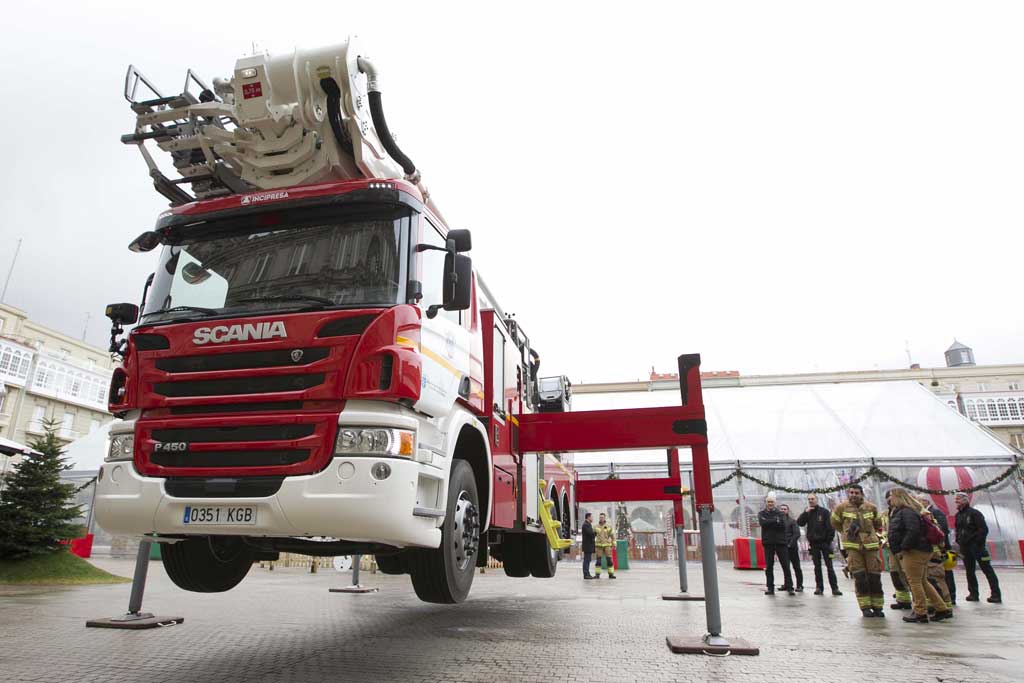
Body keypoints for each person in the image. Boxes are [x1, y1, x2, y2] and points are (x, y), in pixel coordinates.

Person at [887, 488, 951, 623]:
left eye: (892, 496)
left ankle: (920, 612)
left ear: (898, 497)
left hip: (914, 551)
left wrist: (904, 547)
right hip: (920, 550)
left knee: (914, 582)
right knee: (922, 581)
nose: (890, 499)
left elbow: (912, 531)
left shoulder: (906, 512)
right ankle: (941, 608)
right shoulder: (909, 511)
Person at [831, 484, 885, 617]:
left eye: (856, 493)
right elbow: (835, 523)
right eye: (851, 493)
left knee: (874, 576)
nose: (853, 495)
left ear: (862, 494)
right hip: (853, 547)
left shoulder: (871, 507)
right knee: (860, 577)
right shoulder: (841, 508)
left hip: (870, 546)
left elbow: (878, 524)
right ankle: (865, 607)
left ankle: (878, 607)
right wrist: (846, 532)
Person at [954, 492, 1001, 603]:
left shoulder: (975, 513)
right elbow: (958, 530)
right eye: (955, 499)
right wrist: (958, 541)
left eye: (958, 499)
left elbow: (983, 530)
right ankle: (973, 594)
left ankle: (996, 594)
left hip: (978, 549)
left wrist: (977, 543)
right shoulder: (958, 515)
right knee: (969, 571)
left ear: (965, 500)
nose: (956, 501)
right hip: (965, 548)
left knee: (987, 570)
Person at [797, 494, 841, 596]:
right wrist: (805, 513)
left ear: (816, 500)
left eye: (812, 499)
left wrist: (828, 541)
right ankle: (819, 588)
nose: (811, 501)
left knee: (829, 566)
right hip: (814, 544)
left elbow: (830, 527)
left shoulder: (824, 512)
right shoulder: (808, 512)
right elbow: (800, 523)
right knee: (817, 567)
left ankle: (835, 588)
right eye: (809, 499)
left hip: (825, 543)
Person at [882, 490, 913, 611]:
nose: (890, 500)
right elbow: (885, 528)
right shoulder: (886, 513)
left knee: (908, 574)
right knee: (895, 573)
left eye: (892, 497)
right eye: (888, 498)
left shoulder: (904, 510)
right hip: (891, 547)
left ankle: (919, 600)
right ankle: (903, 600)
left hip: (903, 548)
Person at [758, 496, 794, 595]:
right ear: (766, 503)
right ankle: (770, 587)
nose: (770, 504)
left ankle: (790, 586)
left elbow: (782, 525)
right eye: (768, 502)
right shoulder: (761, 514)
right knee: (769, 566)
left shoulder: (780, 513)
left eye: (772, 502)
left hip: (780, 542)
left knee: (785, 565)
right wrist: (775, 520)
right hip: (768, 543)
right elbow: (763, 523)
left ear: (775, 502)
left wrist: (769, 521)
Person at [779, 504, 803, 592]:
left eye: (784, 509)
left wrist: (790, 544)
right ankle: (787, 584)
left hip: (792, 548)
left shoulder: (792, 521)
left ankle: (800, 585)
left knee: (796, 567)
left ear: (787, 510)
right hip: (782, 547)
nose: (782, 510)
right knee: (786, 567)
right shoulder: (777, 521)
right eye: (781, 509)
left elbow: (797, 534)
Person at [593, 512, 617, 579]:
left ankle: (611, 574)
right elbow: (592, 535)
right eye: (600, 517)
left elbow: (613, 536)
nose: (601, 518)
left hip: (607, 546)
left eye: (602, 517)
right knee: (598, 561)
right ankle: (597, 574)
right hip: (598, 546)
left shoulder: (609, 526)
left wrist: (614, 544)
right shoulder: (595, 527)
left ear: (604, 518)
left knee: (609, 560)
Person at [581, 513, 596, 580]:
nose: (592, 518)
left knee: (588, 560)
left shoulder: (588, 524)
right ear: (588, 517)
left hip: (589, 546)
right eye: (591, 517)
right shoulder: (585, 525)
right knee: (586, 560)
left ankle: (588, 573)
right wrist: (596, 532)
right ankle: (586, 574)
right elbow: (590, 533)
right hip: (587, 546)